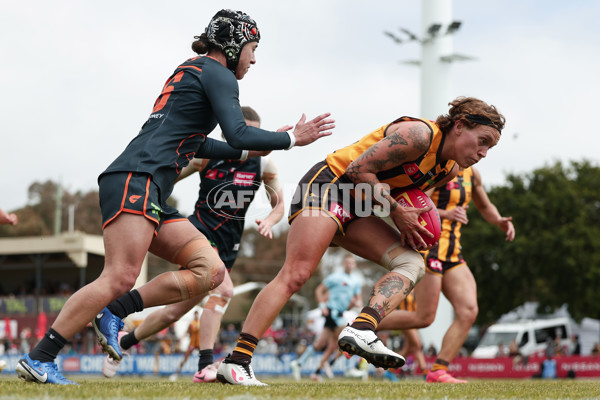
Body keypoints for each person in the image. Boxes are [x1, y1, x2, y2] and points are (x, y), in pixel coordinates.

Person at [16, 9, 334, 385]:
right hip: (137, 178)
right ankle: (42, 357)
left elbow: (199, 141)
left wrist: (253, 150)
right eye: (252, 48)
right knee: (120, 275)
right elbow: (237, 133)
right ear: (232, 46)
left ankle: (115, 313)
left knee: (210, 271)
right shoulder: (219, 74)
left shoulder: (193, 69)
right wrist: (292, 139)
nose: (253, 58)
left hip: (147, 184)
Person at [216, 96, 506, 386]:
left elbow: (404, 195)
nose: (483, 153)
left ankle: (362, 328)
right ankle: (237, 362)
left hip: (361, 207)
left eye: (490, 148)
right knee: (296, 275)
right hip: (330, 185)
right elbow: (356, 170)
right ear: (459, 125)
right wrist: (397, 212)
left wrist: (407, 218)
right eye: (482, 141)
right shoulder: (418, 135)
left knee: (412, 262)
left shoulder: (450, 170)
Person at [101, 106, 286, 382]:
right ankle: (206, 365)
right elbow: (166, 176)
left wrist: (271, 220)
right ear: (229, 134)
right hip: (198, 233)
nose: (252, 138)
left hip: (229, 245)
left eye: (256, 133)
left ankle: (124, 342)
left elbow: (280, 204)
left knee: (173, 313)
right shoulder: (208, 157)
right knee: (224, 289)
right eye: (246, 132)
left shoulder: (263, 165)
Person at [376, 165, 515, 383]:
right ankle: (360, 324)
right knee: (424, 318)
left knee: (469, 310)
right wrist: (445, 213)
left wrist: (498, 220)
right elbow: (413, 206)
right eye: (480, 144)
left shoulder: (473, 174)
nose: (482, 153)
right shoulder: (438, 169)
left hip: (453, 254)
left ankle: (438, 371)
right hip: (430, 249)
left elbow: (485, 206)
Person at [290, 253, 363, 381]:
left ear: (355, 265)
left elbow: (355, 303)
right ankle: (348, 369)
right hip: (332, 312)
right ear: (343, 264)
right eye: (347, 262)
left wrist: (355, 304)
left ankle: (302, 365)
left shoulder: (356, 282)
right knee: (348, 337)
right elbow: (319, 290)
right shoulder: (335, 277)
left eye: (351, 263)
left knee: (322, 344)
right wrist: (323, 306)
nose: (349, 265)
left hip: (340, 314)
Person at [169, 310, 201, 381]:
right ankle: (176, 373)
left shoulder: (201, 323)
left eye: (197, 314)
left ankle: (204, 373)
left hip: (199, 344)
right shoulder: (191, 324)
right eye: (195, 314)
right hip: (192, 344)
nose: (196, 316)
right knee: (185, 358)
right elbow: (187, 332)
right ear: (194, 315)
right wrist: (181, 339)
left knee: (204, 357)